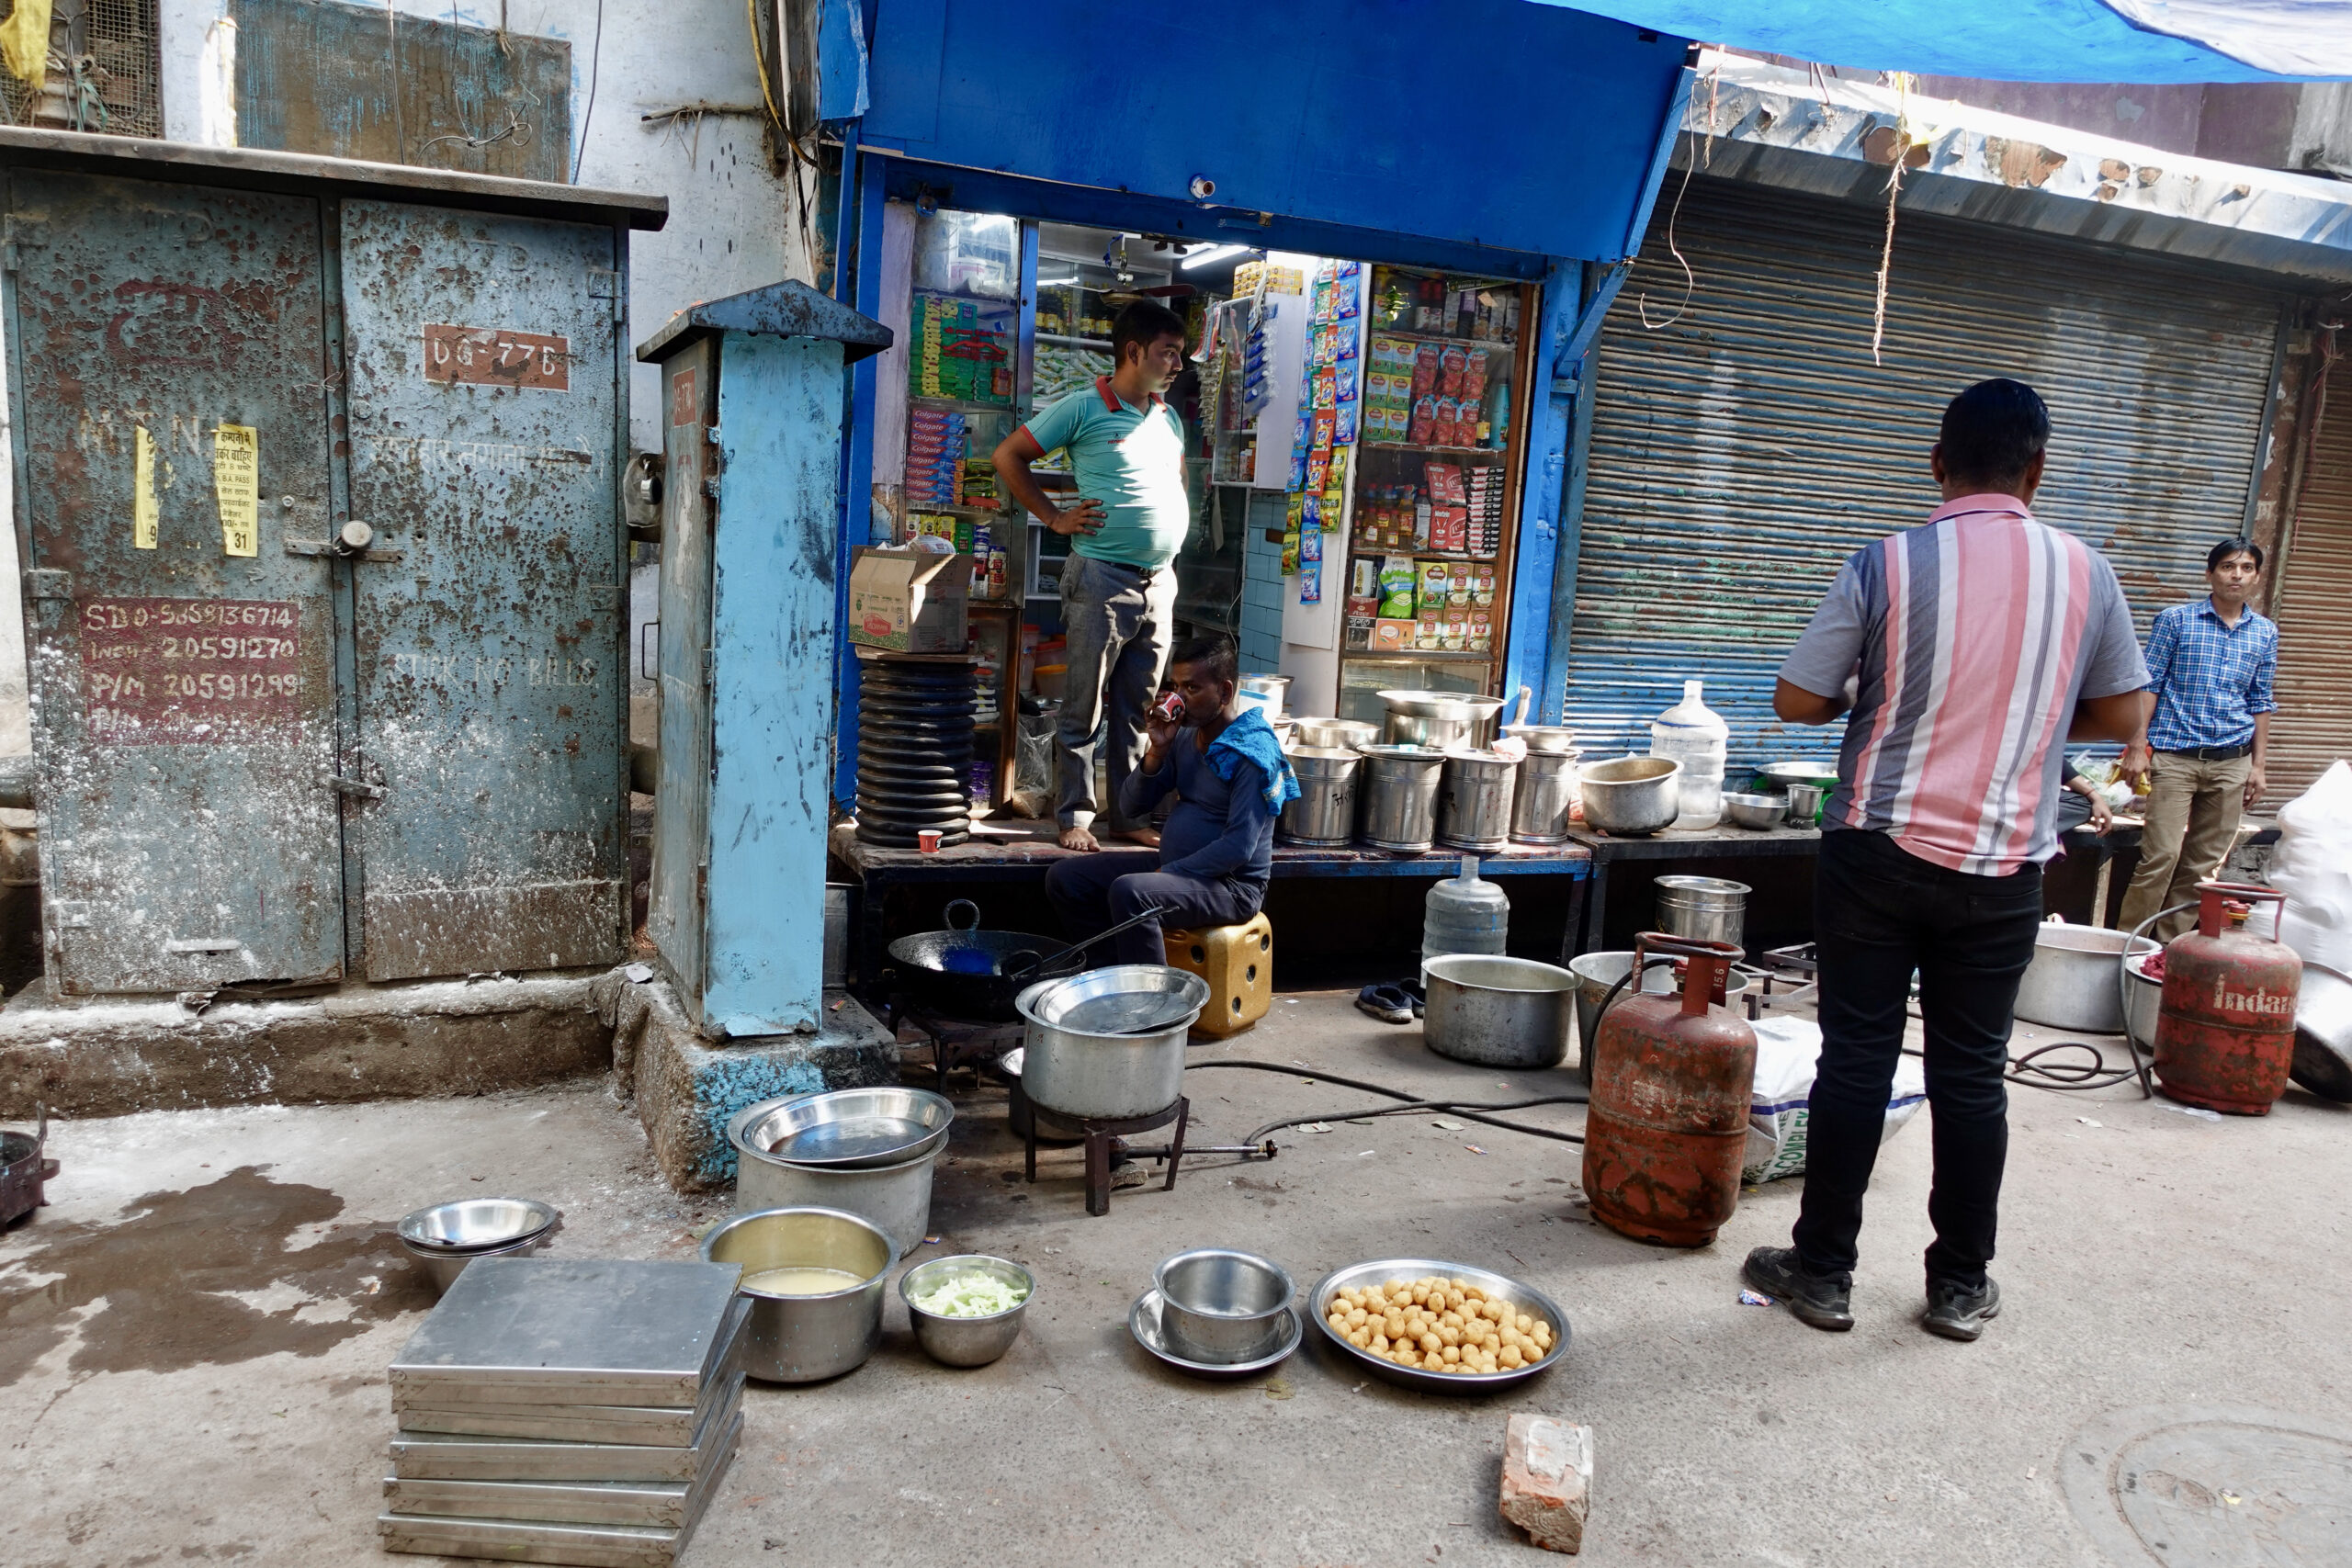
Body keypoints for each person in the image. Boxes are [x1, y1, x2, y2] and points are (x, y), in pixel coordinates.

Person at [1743, 378, 2147, 1343]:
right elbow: (2126, 715)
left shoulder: (1886, 565)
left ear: (1937, 463)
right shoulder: (2087, 573)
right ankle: (1959, 1287)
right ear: (2035, 470)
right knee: (1971, 1076)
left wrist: (1872, 692)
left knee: (1857, 1062)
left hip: (1877, 850)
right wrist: (2043, 718)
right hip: (2006, 866)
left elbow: (1795, 701)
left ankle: (1824, 1273)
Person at [992, 299, 1193, 853]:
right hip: (1102, 576)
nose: (1177, 365)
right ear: (1134, 352)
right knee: (1085, 703)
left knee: (1137, 705)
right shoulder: (1083, 408)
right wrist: (1055, 517)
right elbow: (1008, 455)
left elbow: (1172, 479)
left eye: (1179, 354)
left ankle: (1124, 815)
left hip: (1160, 581)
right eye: (1168, 353)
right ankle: (1074, 816)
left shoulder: (1167, 416)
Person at [1043, 637, 1298, 969]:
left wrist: (1174, 870)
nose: (1180, 698)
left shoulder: (1251, 753)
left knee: (1132, 892)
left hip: (1230, 887)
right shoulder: (1185, 736)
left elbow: (1238, 847)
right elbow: (1131, 807)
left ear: (1225, 692)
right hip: (1178, 869)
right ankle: (1107, 975)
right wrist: (1157, 751)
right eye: (1175, 686)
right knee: (1066, 878)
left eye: (1192, 688)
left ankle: (1154, 1005)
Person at [2116, 539, 2278, 942]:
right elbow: (2149, 684)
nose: (2236, 575)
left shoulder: (2265, 633)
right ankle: (2125, 945)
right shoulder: (2177, 620)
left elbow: (2260, 699)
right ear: (2210, 573)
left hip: (2232, 761)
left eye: (2245, 568)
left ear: (2256, 577)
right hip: (2175, 760)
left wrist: (2257, 766)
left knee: (2203, 868)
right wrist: (2138, 746)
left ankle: (2166, 949)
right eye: (2226, 567)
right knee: (2161, 858)